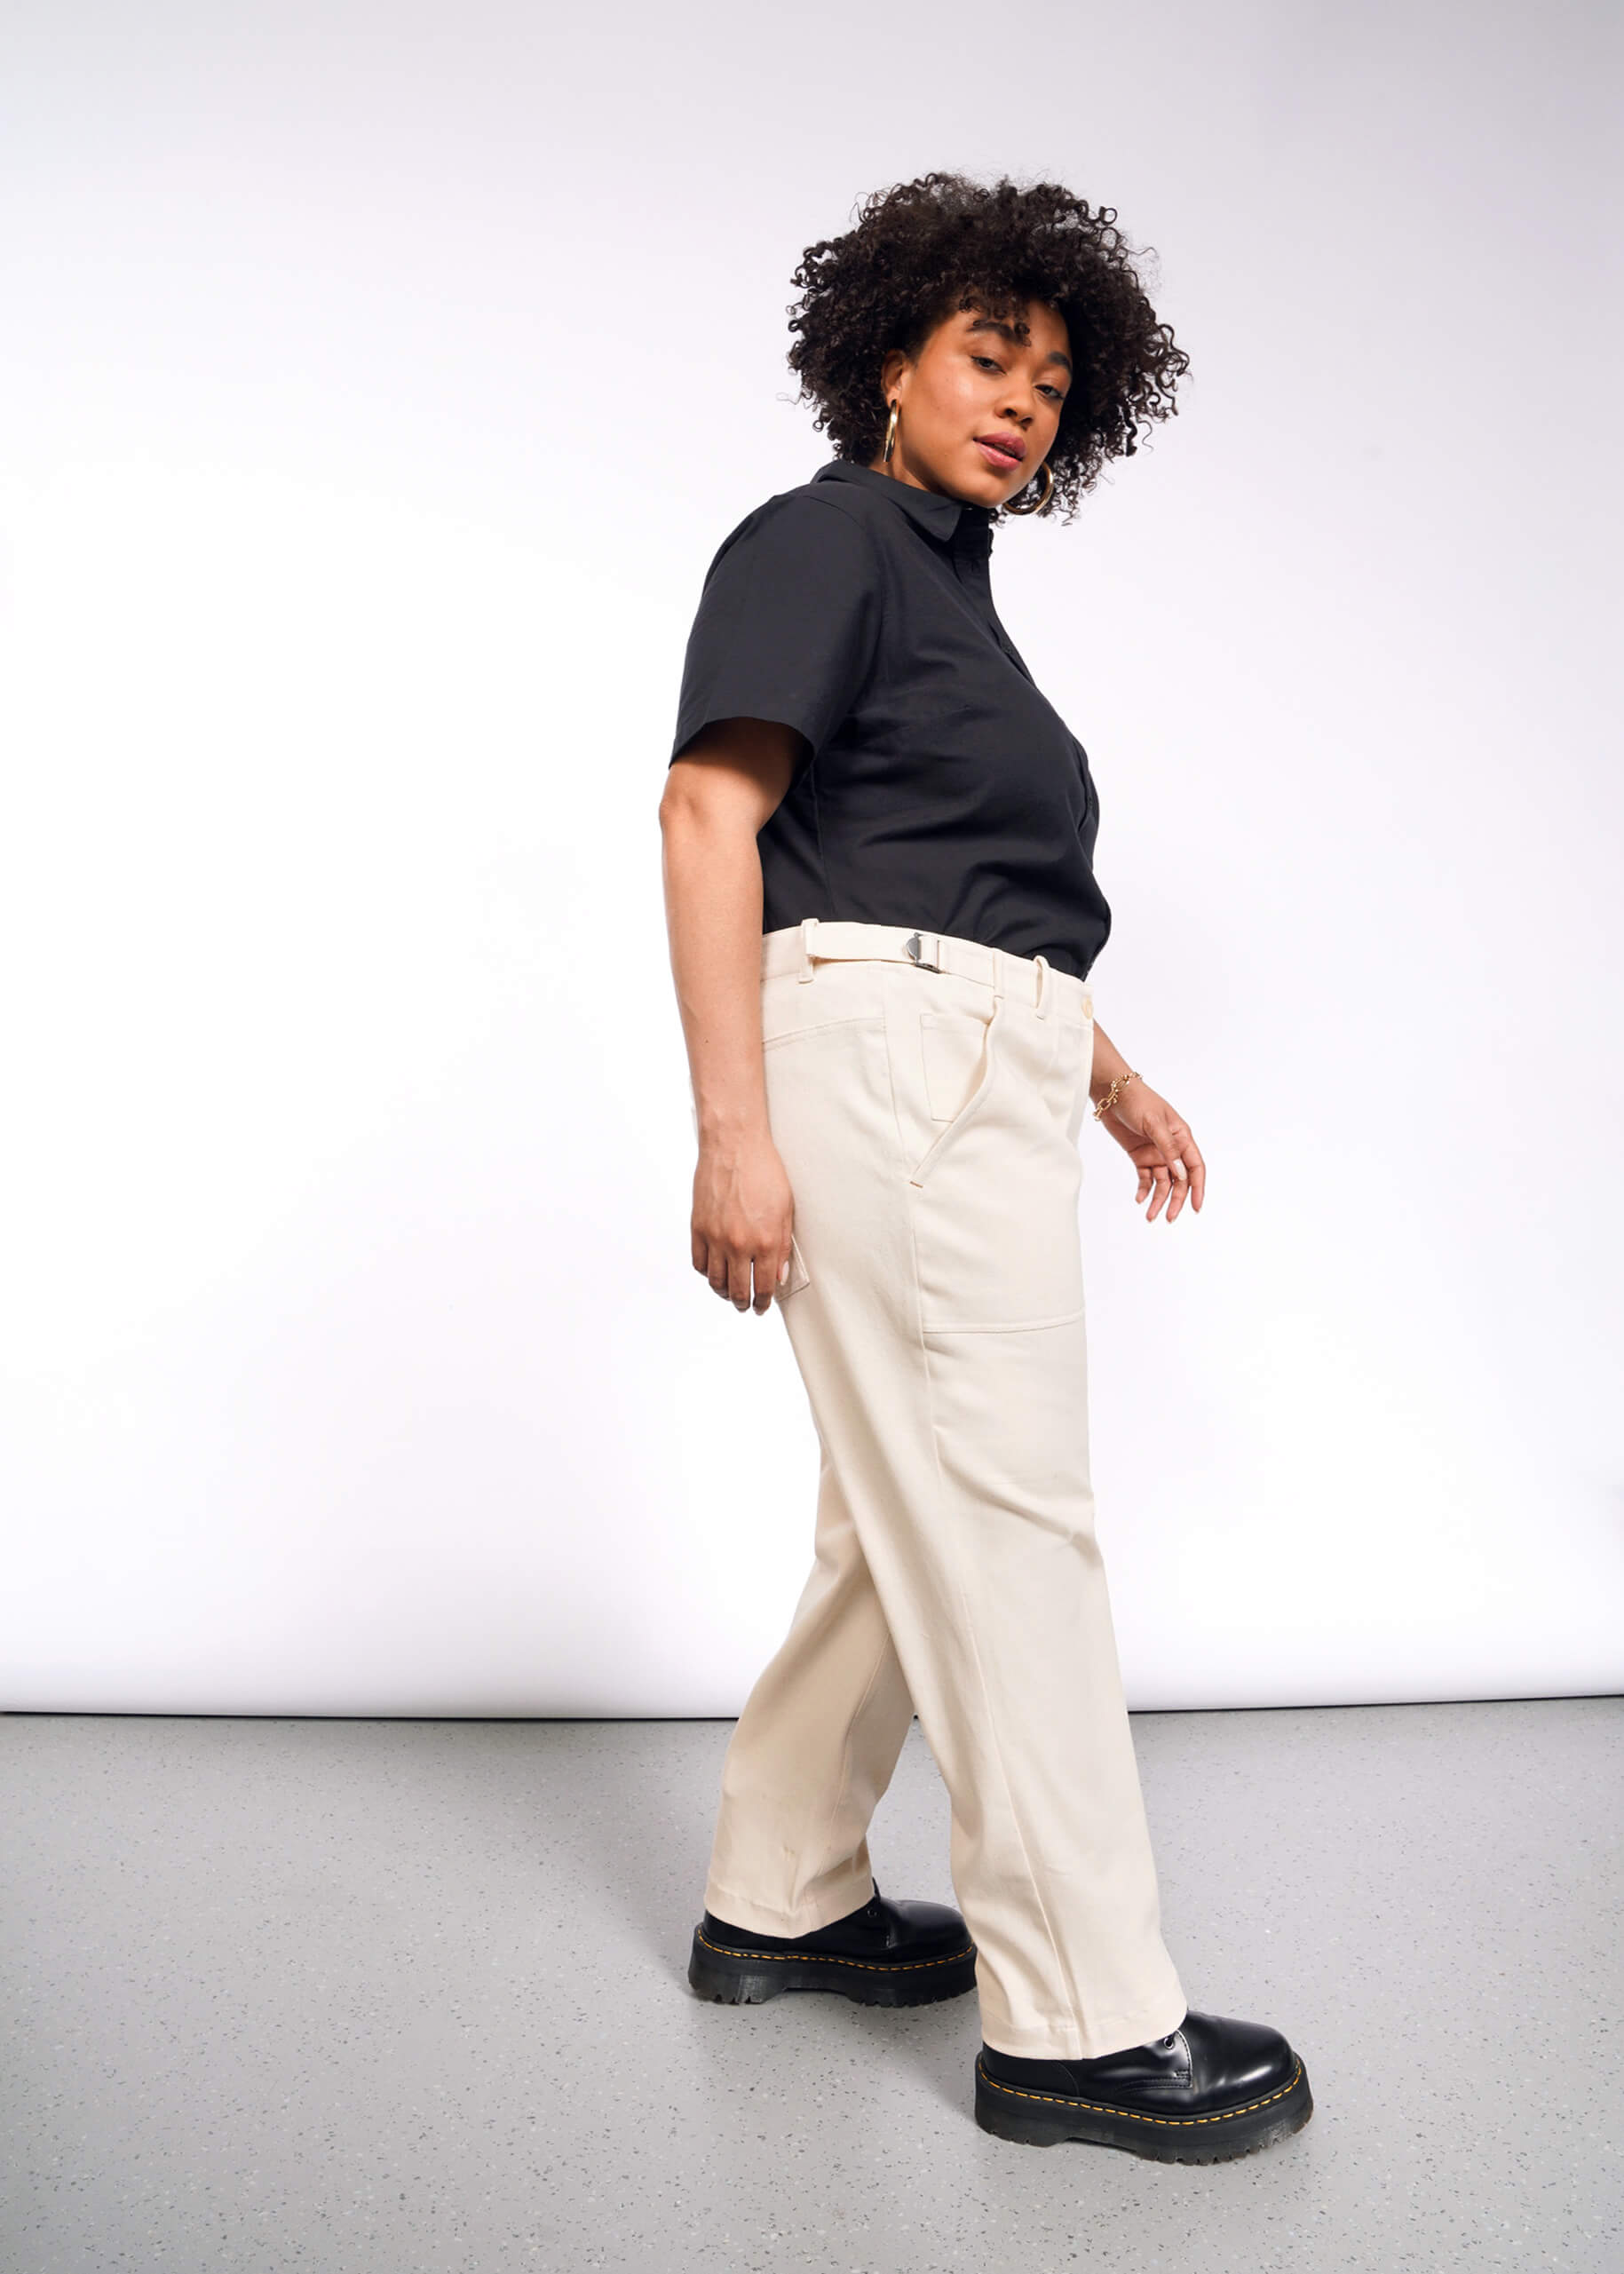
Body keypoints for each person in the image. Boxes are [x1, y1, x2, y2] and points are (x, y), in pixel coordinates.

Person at [658, 171, 1312, 2164]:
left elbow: (951, 878)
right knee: (1008, 1523)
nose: (1020, 400)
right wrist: (732, 1131)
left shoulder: (951, 595)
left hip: (970, 1053)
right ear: (889, 361)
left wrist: (1100, 1070)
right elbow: (709, 813)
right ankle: (1084, 2022)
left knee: (896, 1510)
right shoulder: (828, 538)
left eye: (1051, 377)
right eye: (984, 357)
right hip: (885, 1068)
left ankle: (782, 1896)